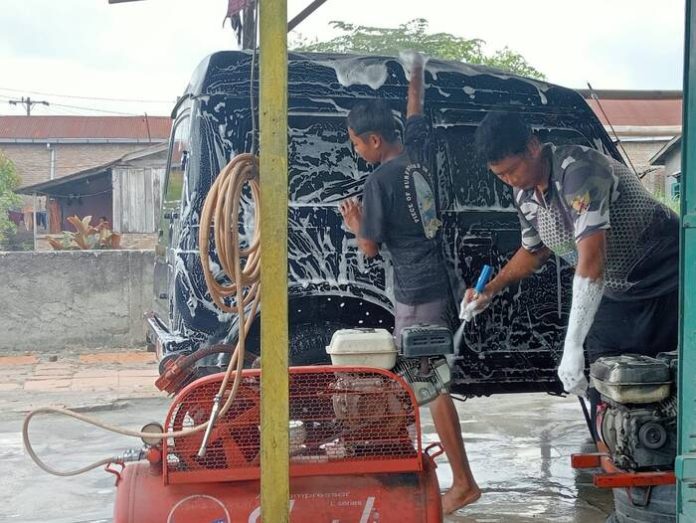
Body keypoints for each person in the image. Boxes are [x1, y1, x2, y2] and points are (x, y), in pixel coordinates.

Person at [339, 51, 481, 515]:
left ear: (375, 140)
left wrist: (356, 221)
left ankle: (463, 482)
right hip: (442, 279)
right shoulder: (416, 152)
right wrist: (414, 71)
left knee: (431, 385)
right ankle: (413, 464)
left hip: (416, 294)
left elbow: (371, 249)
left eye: (358, 144)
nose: (357, 151)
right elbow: (415, 110)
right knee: (424, 380)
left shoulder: (379, 182)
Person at [461, 111, 679, 405]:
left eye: (512, 170)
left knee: (664, 388)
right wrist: (489, 290)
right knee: (603, 388)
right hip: (614, 292)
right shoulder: (525, 195)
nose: (509, 180)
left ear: (532, 147)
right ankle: (609, 449)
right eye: (500, 176)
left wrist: (572, 345)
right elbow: (533, 252)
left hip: (667, 282)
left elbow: (592, 260)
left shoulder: (579, 170)